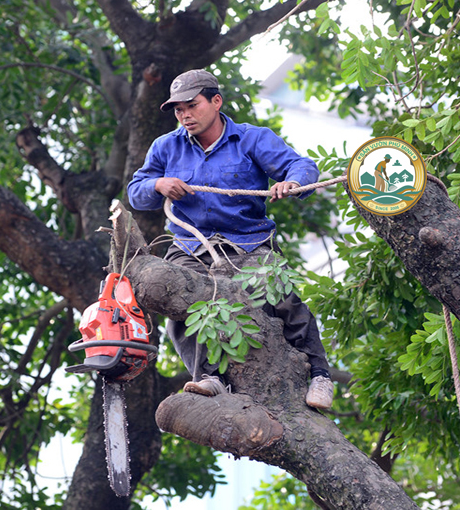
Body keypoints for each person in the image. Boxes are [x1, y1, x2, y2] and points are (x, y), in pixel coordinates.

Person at [126, 69, 334, 410]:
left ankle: (319, 375)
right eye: (179, 110)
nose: (185, 115)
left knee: (279, 293)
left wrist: (292, 183)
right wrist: (157, 184)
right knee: (177, 295)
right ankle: (210, 377)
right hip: (191, 245)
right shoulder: (166, 147)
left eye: (192, 106)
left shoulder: (252, 138)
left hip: (248, 241)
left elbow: (301, 166)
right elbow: (136, 192)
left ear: (216, 101)